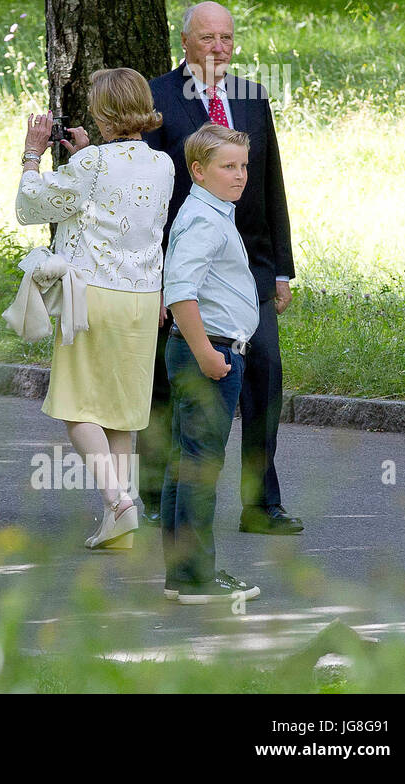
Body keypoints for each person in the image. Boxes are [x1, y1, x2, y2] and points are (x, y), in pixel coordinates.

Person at [142, 1, 300, 535]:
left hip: (250, 265)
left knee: (264, 378)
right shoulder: (159, 97)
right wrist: (159, 277)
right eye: (208, 38)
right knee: (177, 387)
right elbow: (150, 195)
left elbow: (269, 180)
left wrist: (282, 267)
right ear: (185, 41)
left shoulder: (252, 96)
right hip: (185, 269)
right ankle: (165, 500)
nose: (219, 48)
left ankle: (261, 505)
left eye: (227, 38)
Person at [15, 69, 175, 550]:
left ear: (103, 113)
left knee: (78, 403)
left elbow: (32, 206)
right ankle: (117, 521)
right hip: (144, 298)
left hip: (93, 293)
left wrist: (31, 154)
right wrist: (86, 155)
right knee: (121, 412)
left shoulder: (91, 166)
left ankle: (118, 501)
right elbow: (121, 203)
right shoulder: (164, 164)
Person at [160, 124, 263, 604]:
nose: (240, 175)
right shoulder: (204, 219)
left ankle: (182, 574)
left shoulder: (210, 211)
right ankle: (198, 577)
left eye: (243, 165)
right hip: (210, 351)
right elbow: (180, 290)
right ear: (198, 171)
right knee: (200, 465)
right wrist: (207, 353)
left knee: (185, 462)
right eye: (228, 166)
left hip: (208, 348)